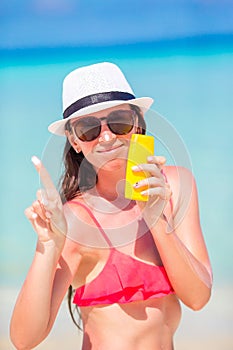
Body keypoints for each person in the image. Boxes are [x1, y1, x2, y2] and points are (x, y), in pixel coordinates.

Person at [10, 62, 212, 350]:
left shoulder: (177, 186)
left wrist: (157, 221)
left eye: (118, 122)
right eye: (89, 129)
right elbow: (23, 339)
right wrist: (47, 247)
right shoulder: (76, 220)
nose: (106, 137)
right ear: (75, 141)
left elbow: (198, 298)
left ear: (138, 124)